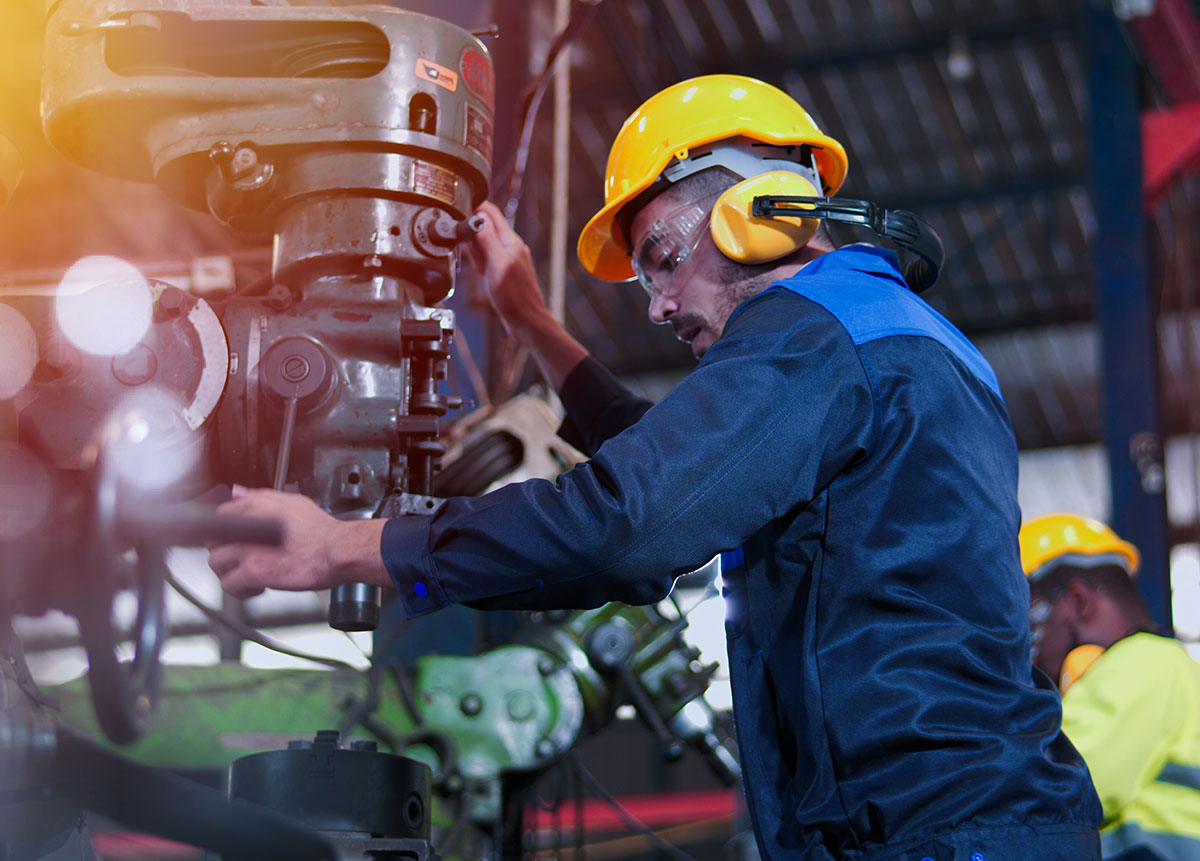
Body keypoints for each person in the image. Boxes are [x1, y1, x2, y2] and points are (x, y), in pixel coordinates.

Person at [209, 74, 1102, 858]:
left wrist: (346, 546)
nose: (660, 305)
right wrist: (527, 317)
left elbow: (631, 522)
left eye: (665, 260)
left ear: (756, 218)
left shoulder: (813, 333)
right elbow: (672, 461)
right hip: (965, 825)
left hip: (936, 837)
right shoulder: (881, 330)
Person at [1020, 513, 1200, 860]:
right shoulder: (1175, 668)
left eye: (1030, 628)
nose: (1032, 657)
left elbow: (1058, 785)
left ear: (1079, 601)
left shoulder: (1143, 662)